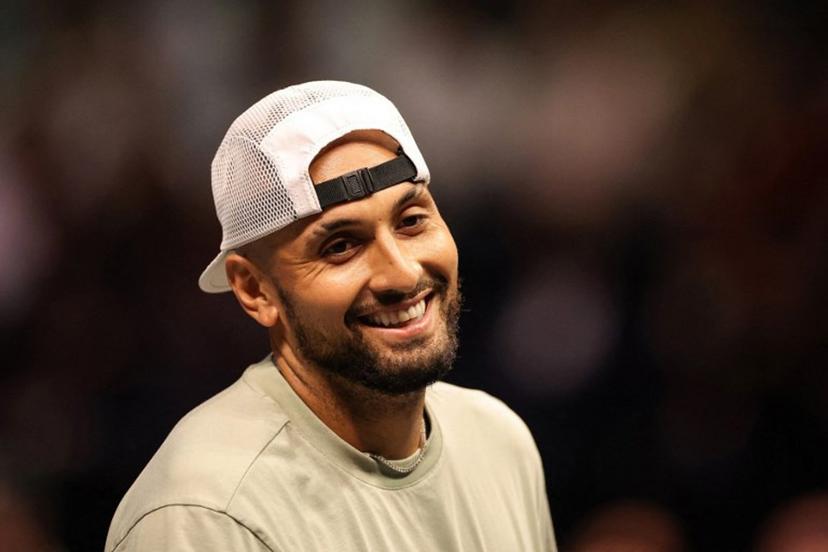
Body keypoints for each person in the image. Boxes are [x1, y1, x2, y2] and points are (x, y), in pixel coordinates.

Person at [105, 81, 557, 551]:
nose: (401, 274)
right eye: (340, 246)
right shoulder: (207, 516)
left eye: (411, 221)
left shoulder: (499, 444)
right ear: (254, 289)